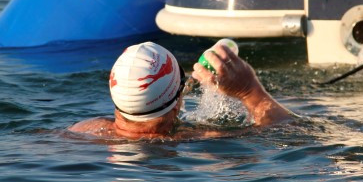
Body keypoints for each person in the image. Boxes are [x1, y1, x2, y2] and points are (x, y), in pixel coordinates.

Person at [69, 41, 293, 139]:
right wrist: (250, 90)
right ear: (178, 102)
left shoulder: (83, 131)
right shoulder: (202, 139)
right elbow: (293, 134)